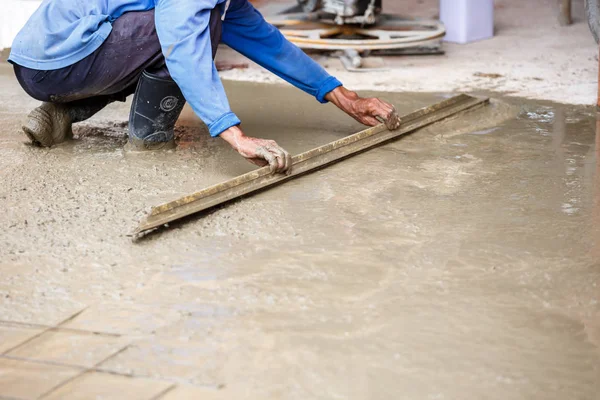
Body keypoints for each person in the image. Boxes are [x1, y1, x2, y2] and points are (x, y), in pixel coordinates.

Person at [8, 0, 400, 173]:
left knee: (192, 26)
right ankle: (148, 139)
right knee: (196, 29)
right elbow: (182, 48)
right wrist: (234, 134)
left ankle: (64, 110)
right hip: (60, 60)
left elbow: (266, 42)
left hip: (49, 65)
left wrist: (343, 96)